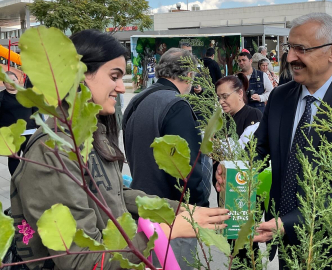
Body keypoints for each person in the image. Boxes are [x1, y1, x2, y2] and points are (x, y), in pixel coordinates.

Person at [10, 29, 229, 270]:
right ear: (79, 74)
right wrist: (164, 231)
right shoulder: (53, 152)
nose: (122, 88)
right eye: (114, 76)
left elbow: (115, 194)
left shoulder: (93, 136)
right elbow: (81, 261)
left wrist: (179, 210)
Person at [215, 13, 332, 269]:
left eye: (301, 49)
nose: (291, 57)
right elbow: (259, 148)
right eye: (289, 48)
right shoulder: (282, 97)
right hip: (283, 239)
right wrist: (232, 168)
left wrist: (290, 222)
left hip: (330, 243)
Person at [122, 48, 213, 269]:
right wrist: (199, 205)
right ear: (189, 74)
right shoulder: (175, 104)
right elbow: (186, 168)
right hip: (174, 215)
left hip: (143, 208)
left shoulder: (137, 100)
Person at [0, 71, 39, 176]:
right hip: (12, 136)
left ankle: (28, 180)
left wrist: (40, 128)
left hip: (30, 133)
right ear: (4, 83)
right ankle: (16, 181)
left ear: (18, 80)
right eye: (8, 81)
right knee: (14, 159)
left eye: (14, 80)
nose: (12, 83)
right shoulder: (2, 97)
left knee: (31, 158)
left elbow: (36, 112)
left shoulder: (27, 94)